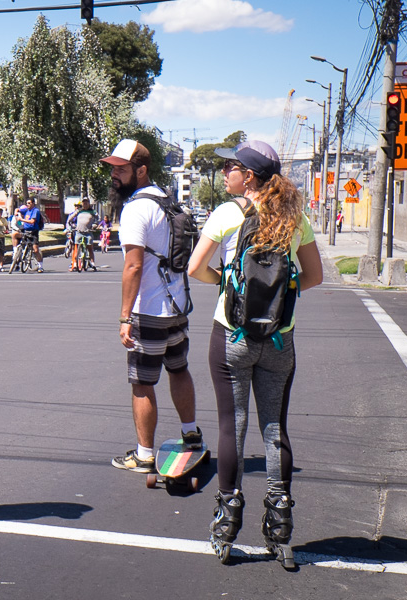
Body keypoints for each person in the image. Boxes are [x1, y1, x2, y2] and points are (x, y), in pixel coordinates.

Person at [187, 140, 323, 567]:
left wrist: (227, 282)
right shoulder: (293, 215)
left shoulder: (228, 214)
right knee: (273, 428)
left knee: (233, 427)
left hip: (233, 336)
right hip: (280, 340)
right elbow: (314, 276)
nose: (226, 171)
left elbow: (194, 268)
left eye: (232, 166)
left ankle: (227, 521)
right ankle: (280, 525)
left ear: (248, 177)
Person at [100, 139, 202, 475]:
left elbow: (133, 266)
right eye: (113, 168)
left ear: (141, 170)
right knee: (179, 370)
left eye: (122, 169)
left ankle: (145, 455)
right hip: (176, 306)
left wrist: (125, 317)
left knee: (142, 383)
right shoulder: (166, 200)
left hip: (148, 311)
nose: (115, 174)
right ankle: (190, 435)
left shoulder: (134, 208)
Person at [17, 199, 44, 272]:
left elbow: (32, 221)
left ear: (33, 203)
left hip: (33, 232)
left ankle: (40, 266)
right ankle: (19, 260)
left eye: (29, 203)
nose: (27, 205)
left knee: (35, 250)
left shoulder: (35, 211)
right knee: (21, 244)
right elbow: (20, 214)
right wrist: (17, 212)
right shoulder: (27, 211)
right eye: (27, 203)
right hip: (26, 231)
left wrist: (22, 220)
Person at [71, 197, 97, 271]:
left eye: (86, 202)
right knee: (76, 246)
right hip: (79, 232)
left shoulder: (93, 211)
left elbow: (98, 219)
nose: (85, 204)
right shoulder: (79, 211)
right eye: (83, 202)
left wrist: (95, 225)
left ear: (89, 203)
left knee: (89, 247)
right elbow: (71, 217)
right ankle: (75, 263)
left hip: (88, 232)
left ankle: (92, 262)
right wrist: (70, 223)